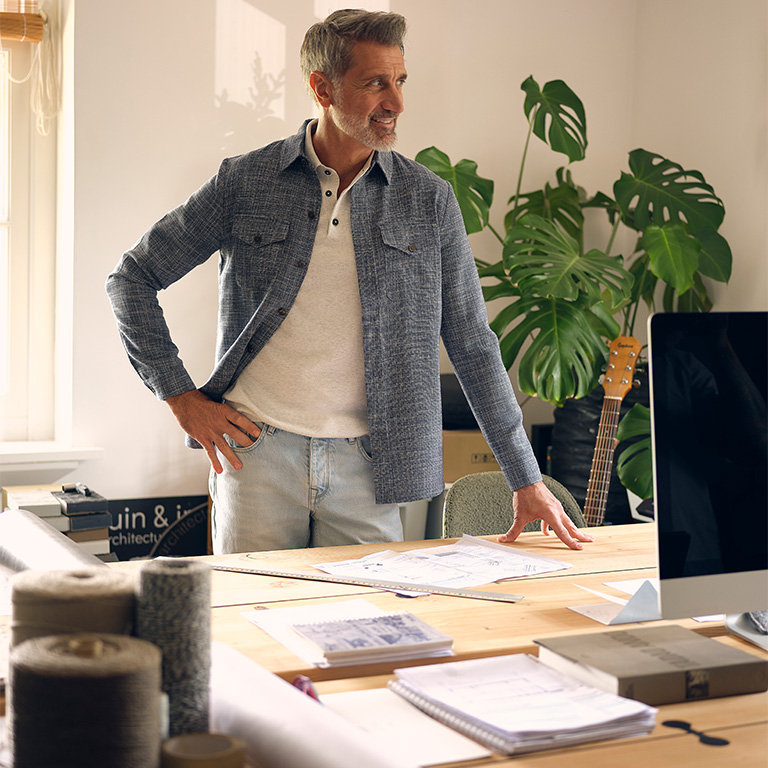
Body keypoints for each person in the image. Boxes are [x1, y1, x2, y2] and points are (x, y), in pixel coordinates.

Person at [106, 9, 593, 554]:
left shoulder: (428, 199)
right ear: (322, 87)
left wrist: (525, 479)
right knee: (254, 621)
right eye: (375, 83)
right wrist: (180, 397)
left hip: (371, 468)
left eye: (400, 81)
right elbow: (132, 279)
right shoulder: (245, 182)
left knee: (368, 632)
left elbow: (474, 345)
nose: (396, 103)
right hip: (256, 454)